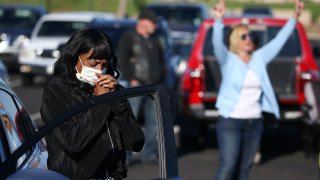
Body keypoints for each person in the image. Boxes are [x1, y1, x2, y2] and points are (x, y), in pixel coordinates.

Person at [212, 0, 304, 179]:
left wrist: (294, 18)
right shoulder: (228, 60)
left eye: (251, 37)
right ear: (234, 41)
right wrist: (218, 20)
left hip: (254, 122)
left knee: (245, 169)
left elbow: (279, 41)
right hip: (230, 121)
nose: (249, 40)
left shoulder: (259, 58)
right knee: (228, 167)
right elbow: (217, 44)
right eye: (244, 37)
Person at [40, 28, 145, 179]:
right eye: (93, 63)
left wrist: (116, 100)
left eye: (104, 65)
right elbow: (73, 142)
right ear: (75, 56)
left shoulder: (111, 89)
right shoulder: (57, 88)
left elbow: (136, 142)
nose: (99, 71)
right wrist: (100, 102)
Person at [117, 9, 166, 164]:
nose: (155, 26)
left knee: (153, 121)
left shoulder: (155, 39)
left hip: (153, 86)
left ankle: (150, 153)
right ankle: (128, 155)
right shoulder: (129, 37)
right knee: (131, 120)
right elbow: (121, 59)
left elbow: (161, 61)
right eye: (153, 22)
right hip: (136, 87)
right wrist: (131, 78)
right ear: (143, 22)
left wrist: (162, 79)